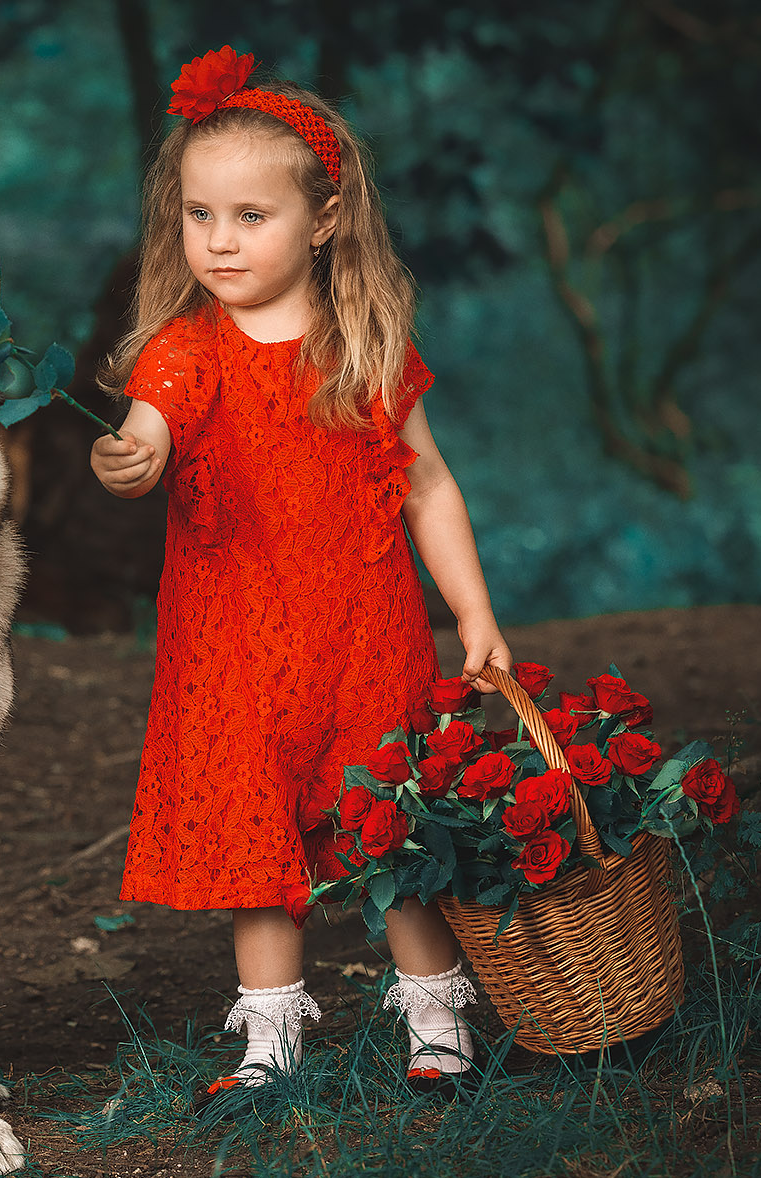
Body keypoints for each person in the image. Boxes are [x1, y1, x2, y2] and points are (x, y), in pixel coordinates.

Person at [89, 47, 510, 1106]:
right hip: (232, 647)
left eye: (249, 216)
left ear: (322, 220)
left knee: (387, 833)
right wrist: (129, 454)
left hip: (366, 635)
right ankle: (269, 1048)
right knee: (255, 852)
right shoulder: (186, 350)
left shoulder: (364, 346)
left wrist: (474, 610)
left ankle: (437, 1019)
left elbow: (429, 487)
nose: (219, 241)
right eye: (199, 215)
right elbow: (147, 434)